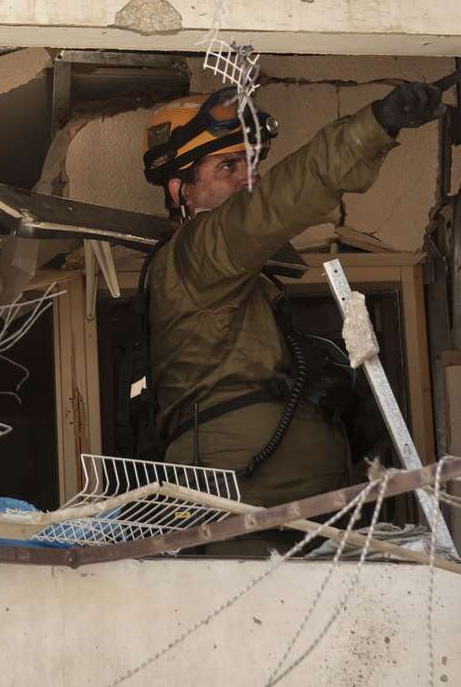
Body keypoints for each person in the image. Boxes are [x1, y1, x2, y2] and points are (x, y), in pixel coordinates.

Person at [140, 81, 442, 510]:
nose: (250, 178)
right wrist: (375, 126)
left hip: (295, 488)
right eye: (228, 167)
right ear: (180, 191)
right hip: (245, 487)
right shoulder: (196, 252)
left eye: (252, 163)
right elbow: (283, 196)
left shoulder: (233, 269)